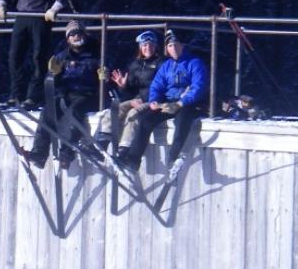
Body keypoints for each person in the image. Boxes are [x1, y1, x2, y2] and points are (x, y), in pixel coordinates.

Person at [115, 29, 207, 172]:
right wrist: (154, 101)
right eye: (170, 46)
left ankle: (173, 159)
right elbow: (157, 85)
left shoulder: (194, 63)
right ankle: (133, 159)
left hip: (187, 104)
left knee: (182, 122)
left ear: (182, 46)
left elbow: (198, 87)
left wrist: (180, 103)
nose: (174, 48)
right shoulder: (167, 66)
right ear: (167, 49)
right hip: (168, 102)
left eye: (176, 44)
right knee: (146, 120)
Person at [24, 21, 106, 169]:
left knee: (73, 113)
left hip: (87, 95)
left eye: (79, 33)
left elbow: (107, 75)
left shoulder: (96, 55)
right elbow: (50, 82)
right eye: (72, 34)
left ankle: (66, 154)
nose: (76, 37)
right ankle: (39, 154)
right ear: (68, 39)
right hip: (66, 94)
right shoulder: (62, 57)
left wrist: (103, 77)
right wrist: (53, 74)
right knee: (47, 112)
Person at [97, 30, 165, 151]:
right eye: (144, 45)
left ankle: (124, 148)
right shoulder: (136, 64)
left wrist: (144, 100)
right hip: (138, 99)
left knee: (132, 114)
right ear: (140, 47)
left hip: (154, 100)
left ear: (156, 46)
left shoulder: (162, 63)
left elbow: (161, 86)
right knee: (115, 110)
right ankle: (102, 141)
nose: (147, 48)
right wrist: (123, 86)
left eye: (151, 45)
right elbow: (129, 92)